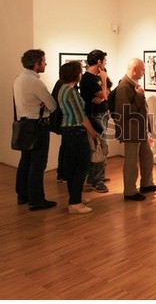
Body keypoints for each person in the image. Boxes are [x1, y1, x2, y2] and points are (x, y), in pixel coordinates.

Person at [13, 49, 57, 210]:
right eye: (44, 61)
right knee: (38, 164)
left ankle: (22, 195)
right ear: (36, 63)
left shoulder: (18, 79)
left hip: (24, 125)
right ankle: (36, 200)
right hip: (38, 126)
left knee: (25, 161)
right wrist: (45, 104)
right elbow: (52, 105)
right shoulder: (35, 82)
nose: (46, 63)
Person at [114, 58, 156, 201]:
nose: (143, 73)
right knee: (131, 161)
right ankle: (129, 190)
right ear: (134, 69)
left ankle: (146, 183)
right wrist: (140, 96)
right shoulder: (124, 86)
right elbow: (125, 111)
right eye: (142, 70)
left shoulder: (133, 84)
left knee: (147, 156)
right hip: (131, 131)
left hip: (140, 130)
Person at [58, 61, 100, 214]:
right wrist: (92, 132)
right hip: (76, 131)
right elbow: (80, 116)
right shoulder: (71, 92)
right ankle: (75, 203)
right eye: (79, 72)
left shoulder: (62, 89)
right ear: (76, 75)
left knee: (71, 166)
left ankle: (75, 197)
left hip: (67, 131)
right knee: (82, 166)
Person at [79, 49, 110, 193]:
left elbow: (106, 94)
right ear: (98, 62)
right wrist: (103, 82)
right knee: (99, 148)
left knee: (101, 148)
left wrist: (103, 94)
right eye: (104, 61)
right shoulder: (88, 78)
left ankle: (96, 178)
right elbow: (104, 93)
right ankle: (96, 181)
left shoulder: (96, 76)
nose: (105, 63)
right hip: (95, 116)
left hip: (101, 114)